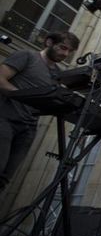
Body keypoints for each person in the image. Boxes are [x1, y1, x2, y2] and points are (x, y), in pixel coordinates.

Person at [0, 31, 80, 193]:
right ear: (49, 42)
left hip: (28, 128)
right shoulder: (27, 56)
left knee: (5, 179)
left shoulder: (57, 74)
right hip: (5, 119)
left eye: (69, 51)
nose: (65, 54)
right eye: (63, 48)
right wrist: (26, 97)